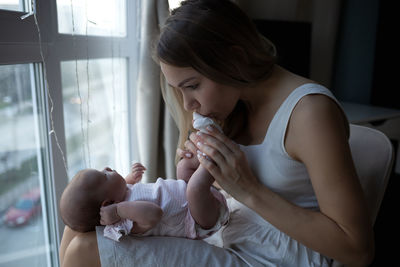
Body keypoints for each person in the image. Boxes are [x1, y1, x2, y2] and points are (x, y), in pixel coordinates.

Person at [60, 0, 375, 266]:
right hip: (226, 239)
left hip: (269, 259)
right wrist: (195, 168)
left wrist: (246, 188)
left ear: (235, 59)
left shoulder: (309, 114)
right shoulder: (235, 105)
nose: (188, 104)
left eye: (193, 86)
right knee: (76, 227)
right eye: (179, 91)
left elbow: (357, 250)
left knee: (85, 250)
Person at [59, 162, 228, 241]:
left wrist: (130, 178)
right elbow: (155, 214)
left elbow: (123, 192)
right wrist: (118, 211)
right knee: (195, 188)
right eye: (105, 175)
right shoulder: (125, 222)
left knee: (183, 166)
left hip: (197, 198)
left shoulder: (121, 196)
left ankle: (209, 159)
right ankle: (214, 155)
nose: (107, 168)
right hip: (198, 218)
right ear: (109, 204)